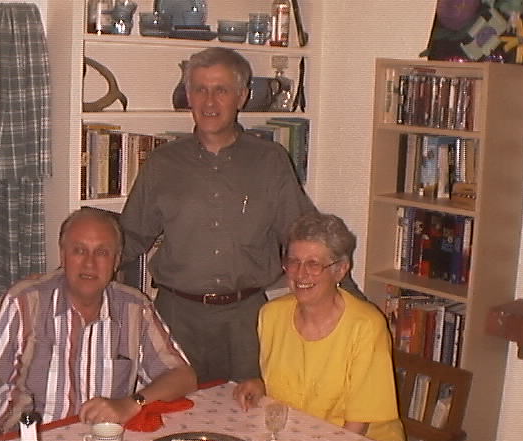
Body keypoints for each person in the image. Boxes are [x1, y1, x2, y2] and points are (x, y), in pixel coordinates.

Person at [120, 47, 363, 384]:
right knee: (174, 410)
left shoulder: (270, 161)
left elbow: (307, 237)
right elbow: (131, 236)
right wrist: (75, 275)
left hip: (247, 320)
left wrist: (354, 302)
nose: (209, 101)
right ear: (188, 96)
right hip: (176, 318)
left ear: (242, 96)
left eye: (221, 90)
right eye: (200, 89)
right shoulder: (163, 163)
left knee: (248, 409)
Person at [0, 207, 197, 441]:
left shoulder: (135, 309)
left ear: (116, 261)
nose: (89, 263)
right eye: (79, 250)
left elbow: (183, 376)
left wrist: (132, 403)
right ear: (63, 255)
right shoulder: (24, 303)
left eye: (101, 252)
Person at [233, 212, 406, 441]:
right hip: (298, 439)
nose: (300, 274)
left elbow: (357, 426)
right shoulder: (271, 315)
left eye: (313, 264)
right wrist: (260, 385)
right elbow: (290, 386)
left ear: (340, 270)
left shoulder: (366, 326)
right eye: (294, 262)